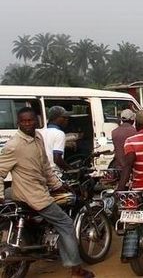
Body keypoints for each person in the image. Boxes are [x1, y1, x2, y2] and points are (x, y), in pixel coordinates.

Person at [0, 107, 94, 278]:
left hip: (37, 190)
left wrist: (58, 185)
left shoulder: (37, 138)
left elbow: (46, 168)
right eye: (24, 121)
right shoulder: (13, 145)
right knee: (66, 224)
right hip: (33, 195)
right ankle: (76, 270)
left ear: (37, 121)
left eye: (30, 120)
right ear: (18, 123)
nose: (28, 123)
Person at [42, 105, 72, 172]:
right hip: (53, 171)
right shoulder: (59, 133)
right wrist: (69, 169)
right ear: (57, 118)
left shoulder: (42, 132)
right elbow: (57, 159)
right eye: (65, 118)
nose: (66, 120)